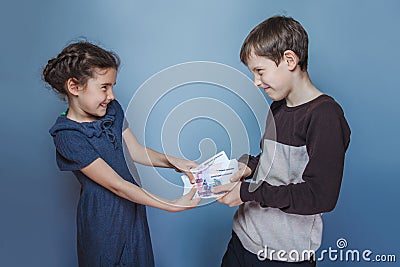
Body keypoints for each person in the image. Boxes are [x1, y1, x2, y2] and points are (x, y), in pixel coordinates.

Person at [43, 41, 200, 266]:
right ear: (74, 87)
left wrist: (174, 162)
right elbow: (116, 184)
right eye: (104, 87)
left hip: (133, 210)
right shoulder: (67, 136)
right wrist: (171, 204)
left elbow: (135, 151)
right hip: (103, 222)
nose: (112, 95)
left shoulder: (111, 110)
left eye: (113, 86)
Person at [212, 16, 351, 267]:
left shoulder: (325, 116)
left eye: (260, 71)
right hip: (243, 240)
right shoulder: (278, 106)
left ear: (289, 60)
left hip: (283, 256)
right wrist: (249, 166)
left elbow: (321, 196)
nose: (256, 82)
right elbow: (274, 161)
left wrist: (246, 192)